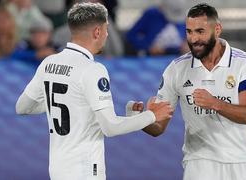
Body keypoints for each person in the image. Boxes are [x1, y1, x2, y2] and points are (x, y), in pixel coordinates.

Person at [15, 2, 173, 180]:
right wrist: (152, 115)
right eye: (106, 29)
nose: (106, 35)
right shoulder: (92, 70)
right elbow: (110, 127)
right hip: (84, 169)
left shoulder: (49, 62)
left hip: (58, 167)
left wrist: (71, 100)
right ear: (97, 32)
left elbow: (22, 107)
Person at [128, 3, 246, 180]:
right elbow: (158, 128)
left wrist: (214, 103)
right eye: (189, 32)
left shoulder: (245, 63)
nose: (193, 39)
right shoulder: (176, 69)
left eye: (200, 32)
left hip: (242, 162)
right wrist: (141, 119)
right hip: (199, 162)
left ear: (217, 29)